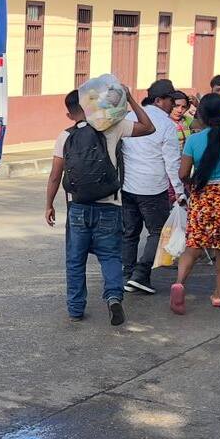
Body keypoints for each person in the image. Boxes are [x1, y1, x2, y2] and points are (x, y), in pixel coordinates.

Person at [46, 86, 155, 325]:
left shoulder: (65, 136)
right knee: (110, 256)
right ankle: (114, 297)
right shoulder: (113, 127)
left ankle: (75, 309)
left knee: (75, 260)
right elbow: (149, 127)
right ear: (91, 105)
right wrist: (132, 100)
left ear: (70, 114)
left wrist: (49, 205)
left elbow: (55, 176)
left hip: (78, 208)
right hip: (110, 206)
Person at [170, 92, 220, 314]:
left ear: (199, 114)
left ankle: (179, 284)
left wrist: (191, 183)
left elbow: (183, 173)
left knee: (193, 246)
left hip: (204, 196)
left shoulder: (193, 140)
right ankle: (218, 295)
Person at [121, 79, 186, 295]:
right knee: (156, 231)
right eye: (170, 100)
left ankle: (127, 275)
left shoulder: (129, 117)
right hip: (153, 188)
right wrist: (179, 192)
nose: (173, 105)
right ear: (159, 100)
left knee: (130, 232)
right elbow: (172, 162)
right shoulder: (167, 125)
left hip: (128, 186)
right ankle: (141, 274)